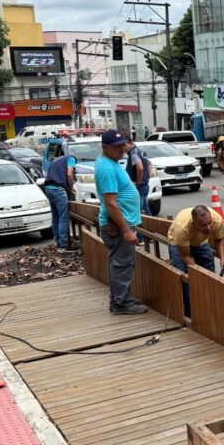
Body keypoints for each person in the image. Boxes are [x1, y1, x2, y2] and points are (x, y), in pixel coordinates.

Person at [95, 129, 147, 315]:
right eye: (117, 147)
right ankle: (122, 303)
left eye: (123, 145)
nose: (122, 150)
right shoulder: (108, 168)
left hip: (119, 223)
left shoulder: (110, 162)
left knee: (118, 263)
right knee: (122, 264)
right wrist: (126, 230)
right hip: (117, 225)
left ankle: (119, 299)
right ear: (105, 147)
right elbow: (110, 203)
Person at [167, 205, 224, 316]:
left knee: (209, 270)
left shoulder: (216, 219)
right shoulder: (182, 228)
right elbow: (185, 255)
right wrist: (196, 271)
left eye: (209, 223)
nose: (209, 227)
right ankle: (190, 310)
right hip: (178, 243)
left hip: (200, 241)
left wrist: (222, 259)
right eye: (204, 225)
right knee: (185, 275)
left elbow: (219, 240)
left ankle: (210, 306)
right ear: (193, 224)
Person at [43, 147, 77, 251]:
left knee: (56, 217)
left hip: (48, 189)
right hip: (58, 190)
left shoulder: (55, 161)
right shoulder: (71, 159)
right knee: (63, 218)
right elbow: (69, 174)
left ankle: (58, 243)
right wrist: (71, 189)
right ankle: (64, 245)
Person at [124, 138, 151, 214]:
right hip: (144, 185)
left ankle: (142, 225)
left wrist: (138, 183)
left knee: (139, 209)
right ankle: (151, 224)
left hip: (140, 186)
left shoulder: (133, 154)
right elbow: (149, 164)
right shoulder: (140, 151)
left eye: (125, 145)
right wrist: (147, 176)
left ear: (130, 143)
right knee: (146, 207)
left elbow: (140, 168)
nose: (124, 148)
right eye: (122, 146)